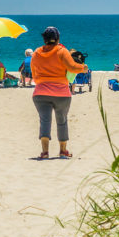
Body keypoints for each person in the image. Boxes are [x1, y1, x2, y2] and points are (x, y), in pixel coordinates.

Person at [31, 27, 87, 159]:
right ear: (58, 39)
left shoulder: (36, 53)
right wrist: (83, 68)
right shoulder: (62, 51)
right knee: (62, 121)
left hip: (40, 93)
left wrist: (43, 81)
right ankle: (63, 151)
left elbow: (34, 76)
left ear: (44, 39)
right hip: (61, 93)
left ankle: (45, 152)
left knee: (45, 121)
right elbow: (72, 67)